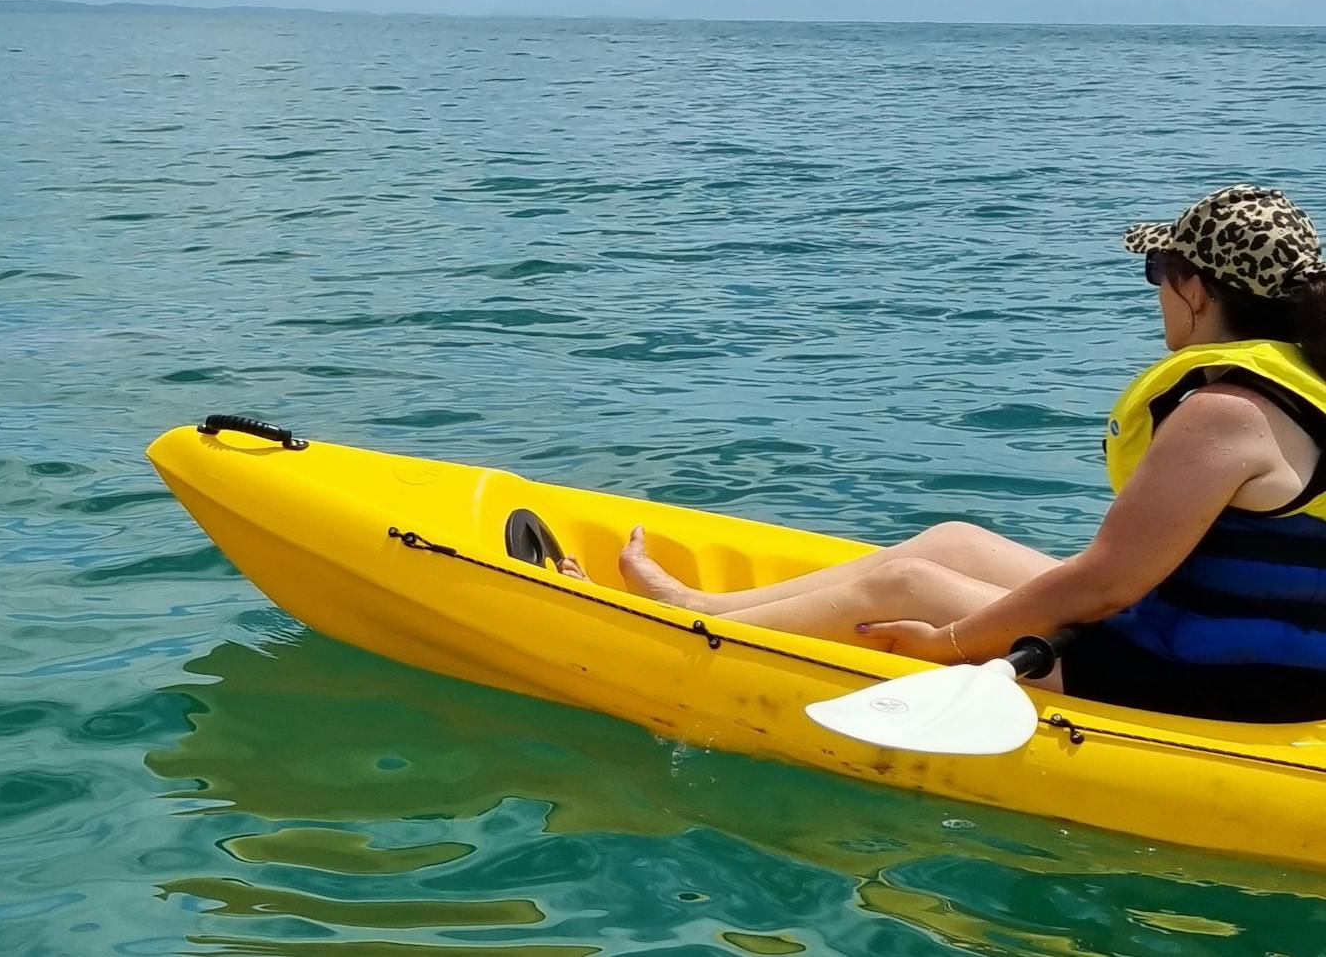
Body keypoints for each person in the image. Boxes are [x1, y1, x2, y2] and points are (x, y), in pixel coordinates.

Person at [560, 184, 1326, 722]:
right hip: (1234, 647)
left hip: (1215, 678)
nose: (1155, 287)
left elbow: (1103, 589)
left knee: (904, 583)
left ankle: (684, 633)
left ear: (1196, 290)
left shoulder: (1224, 413)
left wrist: (954, 641)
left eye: (1158, 271)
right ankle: (699, 607)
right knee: (954, 542)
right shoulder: (1300, 388)